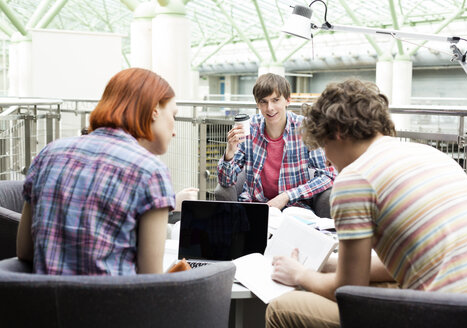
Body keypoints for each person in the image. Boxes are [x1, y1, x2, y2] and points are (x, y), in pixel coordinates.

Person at [266, 79, 467, 327]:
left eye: (323, 146)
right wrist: (327, 264)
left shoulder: (355, 179)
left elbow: (349, 288)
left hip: (440, 316)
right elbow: (400, 261)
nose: (327, 161)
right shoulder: (429, 154)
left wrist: (300, 274)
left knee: (282, 309)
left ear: (338, 133)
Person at [17, 68, 179, 275]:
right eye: (173, 115)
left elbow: (25, 252)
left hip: (43, 305)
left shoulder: (48, 153)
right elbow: (149, 282)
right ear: (154, 109)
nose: (174, 130)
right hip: (112, 305)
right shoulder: (151, 171)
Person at [217, 73, 336, 211]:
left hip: (293, 206)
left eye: (275, 100)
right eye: (264, 102)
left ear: (287, 100)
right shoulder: (249, 129)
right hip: (256, 206)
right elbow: (226, 181)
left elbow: (327, 175)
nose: (270, 108)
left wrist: (287, 196)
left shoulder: (305, 128)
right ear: (258, 104)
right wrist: (229, 152)